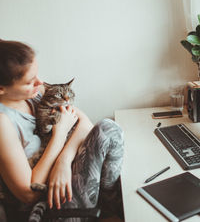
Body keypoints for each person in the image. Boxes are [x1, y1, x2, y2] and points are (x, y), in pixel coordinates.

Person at [0, 39, 124, 221]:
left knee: (108, 128)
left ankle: (110, 211)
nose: (40, 82)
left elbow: (85, 124)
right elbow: (29, 193)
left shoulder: (35, 93)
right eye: (29, 81)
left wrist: (63, 162)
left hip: (67, 173)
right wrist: (59, 134)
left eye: (36, 74)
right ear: (1, 88)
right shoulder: (3, 122)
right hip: (49, 203)